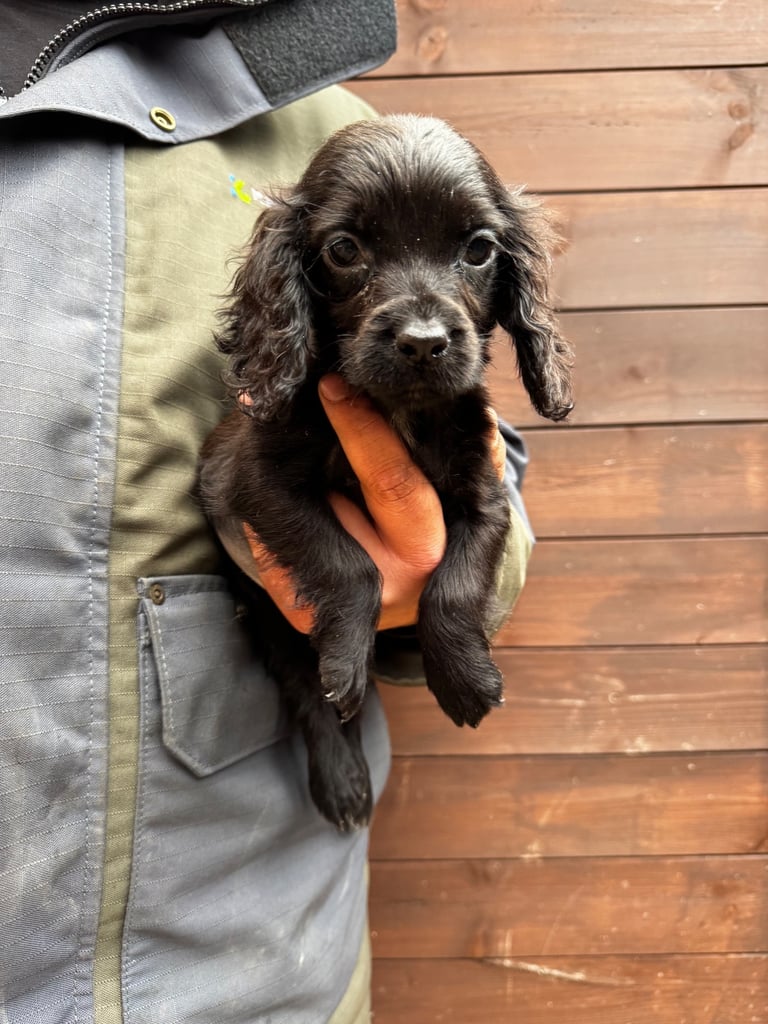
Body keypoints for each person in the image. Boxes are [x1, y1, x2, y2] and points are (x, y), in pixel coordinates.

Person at [0, 3, 533, 1022]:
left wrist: (442, 589)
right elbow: (238, 470)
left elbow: (488, 506)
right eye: (348, 257)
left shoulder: (308, 117)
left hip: (252, 971)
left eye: (466, 256)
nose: (420, 310)